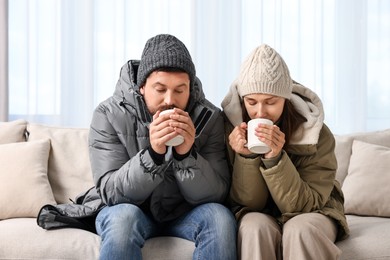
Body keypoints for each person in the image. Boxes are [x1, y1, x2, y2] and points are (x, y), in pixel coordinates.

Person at [88, 34, 236, 260]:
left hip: (185, 213)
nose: (170, 100)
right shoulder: (108, 114)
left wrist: (186, 155)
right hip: (131, 210)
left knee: (219, 217)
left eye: (179, 90)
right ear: (142, 87)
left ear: (190, 89)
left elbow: (218, 193)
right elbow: (110, 192)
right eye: (160, 89)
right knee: (122, 220)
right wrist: (153, 155)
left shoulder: (210, 117)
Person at [221, 44, 349, 260]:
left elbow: (304, 206)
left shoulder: (316, 132)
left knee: (300, 229)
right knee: (253, 226)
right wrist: (246, 156)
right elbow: (250, 204)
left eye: (271, 102)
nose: (260, 112)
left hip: (314, 211)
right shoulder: (231, 129)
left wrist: (275, 158)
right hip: (261, 211)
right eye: (251, 102)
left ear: (286, 99)